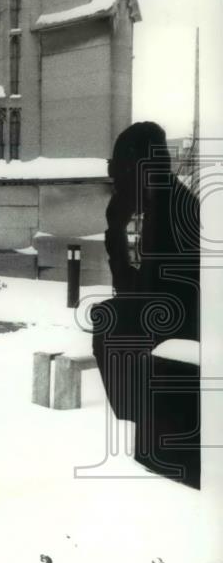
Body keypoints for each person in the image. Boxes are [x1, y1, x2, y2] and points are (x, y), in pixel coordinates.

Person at [93, 121, 200, 417]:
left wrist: (115, 231)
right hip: (175, 314)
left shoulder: (172, 212)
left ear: (137, 170)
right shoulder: (164, 203)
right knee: (110, 315)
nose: (116, 186)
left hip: (186, 322)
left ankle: (137, 413)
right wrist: (115, 231)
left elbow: (150, 294)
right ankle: (136, 412)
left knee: (109, 319)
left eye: (120, 176)